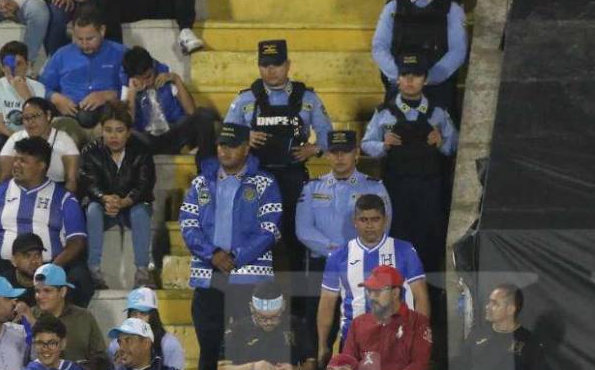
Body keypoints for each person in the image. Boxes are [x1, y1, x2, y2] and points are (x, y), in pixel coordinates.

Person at [180, 122, 282, 370]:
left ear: (246, 148)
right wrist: (212, 254)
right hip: (209, 274)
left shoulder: (265, 183)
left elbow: (271, 229)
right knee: (209, 341)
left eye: (232, 145)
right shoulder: (201, 183)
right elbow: (188, 225)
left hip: (249, 276)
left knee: (249, 343)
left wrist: (236, 257)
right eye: (221, 145)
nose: (225, 151)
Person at [223, 38, 332, 267]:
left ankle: (299, 300)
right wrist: (244, 138)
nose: (270, 71)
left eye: (277, 64)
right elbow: (225, 139)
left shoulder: (307, 99)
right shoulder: (245, 100)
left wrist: (315, 149)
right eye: (265, 65)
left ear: (288, 64)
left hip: (292, 177)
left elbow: (328, 136)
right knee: (255, 239)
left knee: (295, 239)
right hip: (255, 178)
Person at [361, 52, 458, 274]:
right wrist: (383, 145)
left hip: (430, 192)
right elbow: (366, 144)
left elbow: (455, 145)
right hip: (396, 190)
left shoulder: (439, 112)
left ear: (425, 79)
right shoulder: (384, 113)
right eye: (405, 75)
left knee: (429, 248)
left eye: (416, 75)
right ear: (397, 78)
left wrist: (441, 142)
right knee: (396, 246)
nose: (410, 80)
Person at [317, 193, 428, 358]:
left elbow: (421, 298)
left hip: (398, 341)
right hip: (353, 344)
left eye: (375, 219)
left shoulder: (405, 251)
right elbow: (327, 302)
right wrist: (322, 345)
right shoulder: (338, 256)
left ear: (385, 221)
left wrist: (419, 338)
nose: (369, 225)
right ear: (355, 222)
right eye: (363, 220)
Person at [0, 137, 87, 278]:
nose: (16, 165)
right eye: (15, 159)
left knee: (81, 277)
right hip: (6, 269)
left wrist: (52, 268)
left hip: (50, 267)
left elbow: (77, 241)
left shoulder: (64, 199)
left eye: (23, 161)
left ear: (41, 165)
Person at [371, 0, 468, 113]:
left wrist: (428, 78)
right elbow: (379, 46)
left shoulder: (453, 10)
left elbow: (458, 51)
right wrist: (402, 76)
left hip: (438, 89)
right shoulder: (393, 7)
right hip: (399, 87)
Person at [79, 102, 154, 291]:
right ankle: (94, 271)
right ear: (101, 130)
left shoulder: (141, 150)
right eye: (108, 130)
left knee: (140, 212)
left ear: (128, 132)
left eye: (119, 130)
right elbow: (89, 183)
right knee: (93, 210)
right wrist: (105, 198)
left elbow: (144, 185)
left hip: (132, 204)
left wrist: (124, 202)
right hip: (104, 204)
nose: (113, 136)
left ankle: (143, 272)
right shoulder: (90, 151)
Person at [296, 129, 392, 275]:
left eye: (345, 151)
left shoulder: (375, 187)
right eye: (334, 152)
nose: (339, 157)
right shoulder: (311, 188)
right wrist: (333, 250)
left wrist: (358, 250)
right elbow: (303, 229)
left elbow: (383, 226)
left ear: (356, 153)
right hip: (323, 262)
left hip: (363, 261)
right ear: (328, 155)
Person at [119, 46, 212, 164]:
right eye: (140, 79)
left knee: (203, 115)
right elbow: (126, 123)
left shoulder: (164, 73)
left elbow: (191, 111)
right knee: (123, 132)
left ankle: (206, 171)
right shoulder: (127, 84)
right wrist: (132, 92)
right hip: (147, 140)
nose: (146, 83)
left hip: (171, 134)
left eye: (148, 76)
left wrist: (176, 79)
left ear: (153, 66)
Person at [41, 9, 126, 126]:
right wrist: (55, 97)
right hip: (68, 116)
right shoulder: (62, 54)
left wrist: (110, 95)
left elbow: (145, 76)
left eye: (90, 39)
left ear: (102, 31)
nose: (85, 44)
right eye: (79, 39)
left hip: (107, 116)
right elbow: (41, 86)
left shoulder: (120, 53)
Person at [97, 0, 202, 56]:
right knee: (107, 1)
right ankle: (115, 53)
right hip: (134, 0)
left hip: (163, 0)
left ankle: (185, 32)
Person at [25, 264, 108, 370]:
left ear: (63, 291)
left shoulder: (84, 318)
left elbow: (101, 357)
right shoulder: (28, 316)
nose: (40, 296)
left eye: (47, 291)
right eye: (37, 291)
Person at [0, 43, 49, 184]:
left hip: (32, 135)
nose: (13, 70)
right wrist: (17, 139)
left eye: (19, 64)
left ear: (27, 65)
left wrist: (26, 95)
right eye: (9, 65)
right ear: (2, 67)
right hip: (6, 135)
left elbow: (41, 121)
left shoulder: (38, 87)